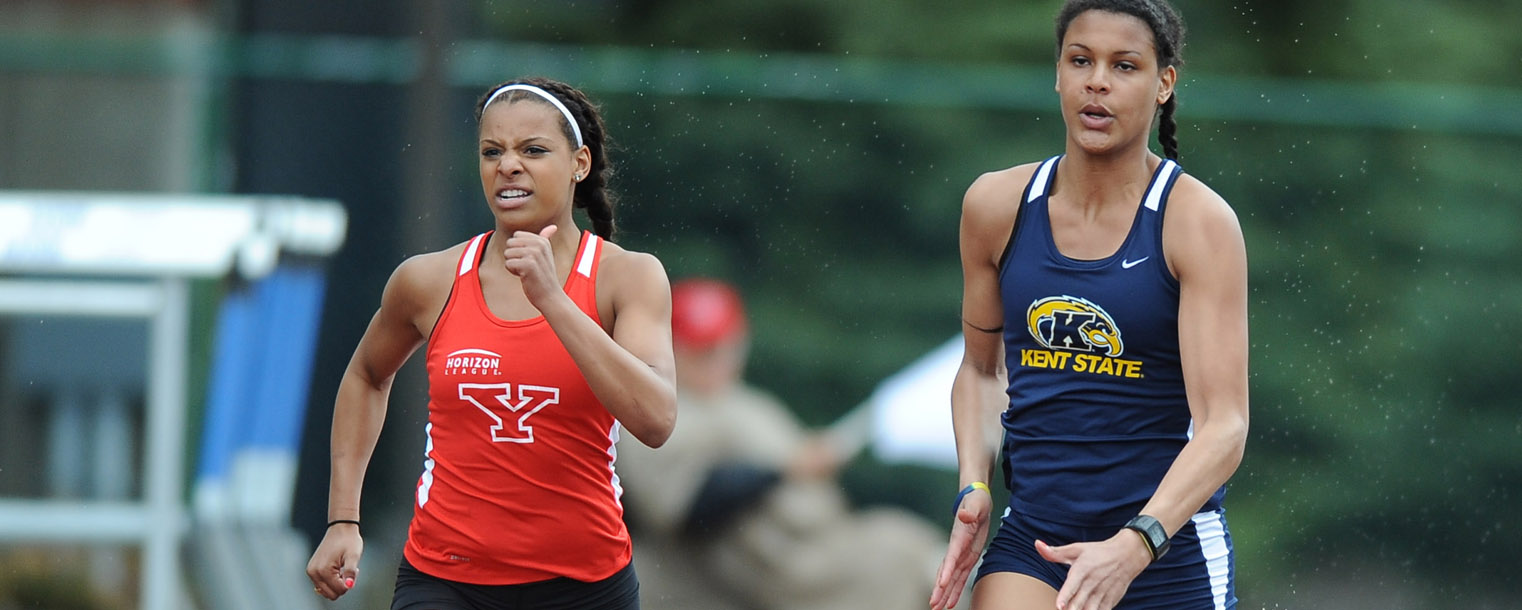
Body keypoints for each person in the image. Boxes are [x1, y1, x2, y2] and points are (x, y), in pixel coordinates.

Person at [304, 77, 677, 610]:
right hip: (445, 580)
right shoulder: (428, 280)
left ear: (580, 163)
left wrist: (553, 298)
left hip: (585, 587)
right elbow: (367, 375)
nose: (508, 165)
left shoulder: (630, 278)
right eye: (491, 151)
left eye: (533, 150)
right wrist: (343, 519)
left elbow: (656, 419)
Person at [929, 1, 1249, 609]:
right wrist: (974, 483)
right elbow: (980, 369)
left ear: (1164, 84)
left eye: (1124, 65)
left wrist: (1133, 546)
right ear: (1058, 74)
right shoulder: (995, 206)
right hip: (1037, 543)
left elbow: (1224, 428)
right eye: (1081, 61)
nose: (1097, 81)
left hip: (1165, 552)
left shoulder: (1197, 223)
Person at [616, 278, 948, 610]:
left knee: (918, 551)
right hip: (758, 573)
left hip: (817, 547)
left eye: (724, 347)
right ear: (672, 347)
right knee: (897, 551)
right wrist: (782, 469)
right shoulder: (655, 407)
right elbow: (689, 507)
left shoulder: (749, 403)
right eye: (703, 351)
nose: (717, 360)